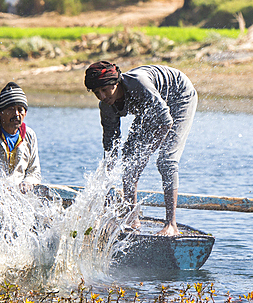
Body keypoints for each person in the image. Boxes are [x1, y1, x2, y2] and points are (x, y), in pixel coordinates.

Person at [84, 61, 198, 236]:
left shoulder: (139, 83)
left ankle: (171, 225)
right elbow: (110, 148)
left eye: (105, 90)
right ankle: (132, 219)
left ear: (116, 83)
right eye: (97, 93)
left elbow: (166, 121)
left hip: (179, 95)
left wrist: (145, 152)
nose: (102, 96)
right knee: (130, 159)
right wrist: (104, 186)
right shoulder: (106, 106)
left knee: (166, 160)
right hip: (150, 107)